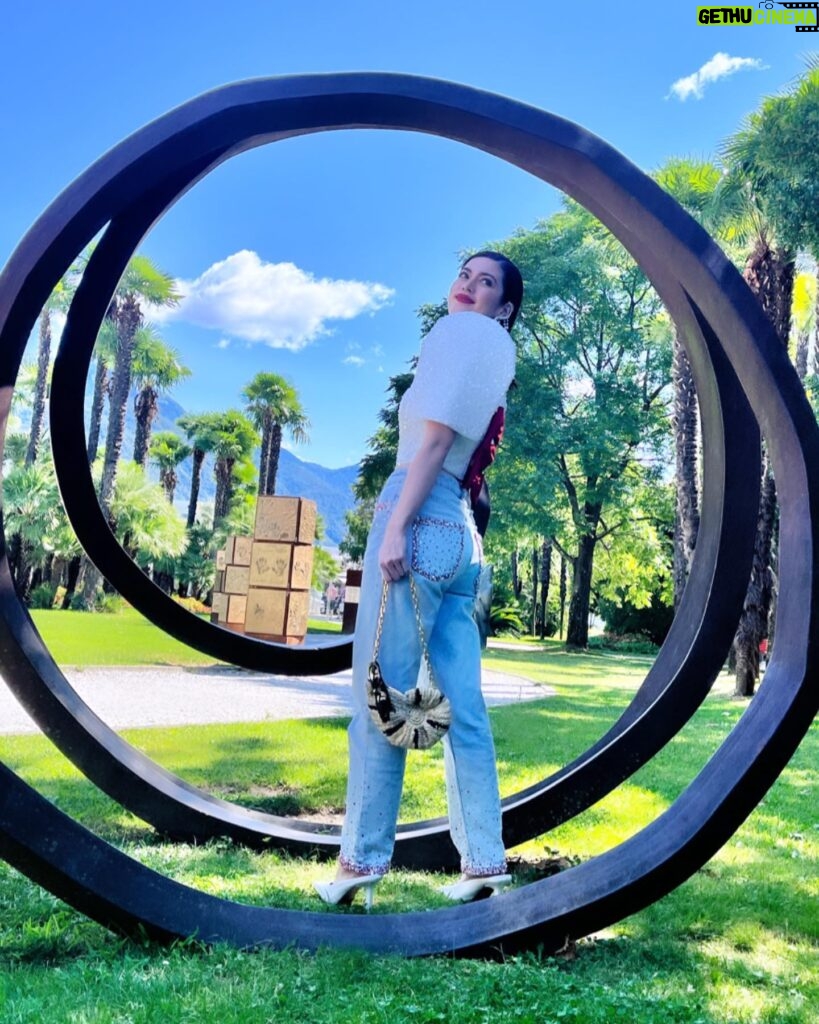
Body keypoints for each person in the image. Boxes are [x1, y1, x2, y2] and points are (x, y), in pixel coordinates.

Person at [314, 252, 523, 910]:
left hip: (421, 511)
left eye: (485, 282)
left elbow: (430, 446)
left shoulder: (461, 338)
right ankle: (485, 860)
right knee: (462, 708)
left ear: (504, 307)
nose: (468, 285)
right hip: (462, 536)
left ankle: (359, 863)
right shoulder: (493, 356)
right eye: (464, 274)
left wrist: (396, 525)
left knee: (381, 696)